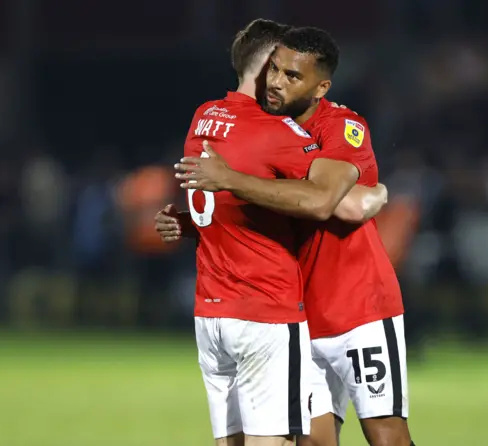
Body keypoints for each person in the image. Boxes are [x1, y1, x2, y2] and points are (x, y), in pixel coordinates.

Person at [173, 27, 414, 446]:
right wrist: (194, 224)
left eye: (292, 76)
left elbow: (332, 203)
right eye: (275, 71)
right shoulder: (267, 129)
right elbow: (261, 210)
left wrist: (231, 178)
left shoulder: (341, 125)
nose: (277, 82)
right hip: (298, 315)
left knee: (386, 437)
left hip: (358, 309)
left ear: (321, 87)